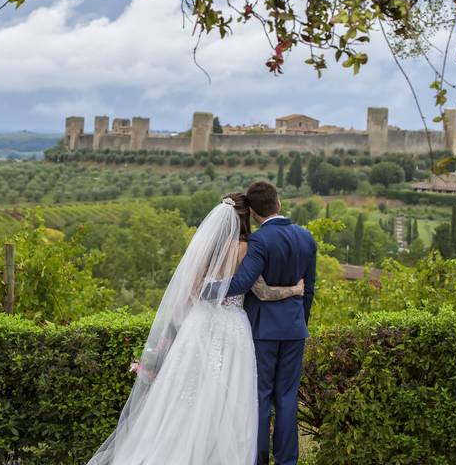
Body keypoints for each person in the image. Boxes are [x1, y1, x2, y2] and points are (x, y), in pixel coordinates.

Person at [87, 193, 304, 465]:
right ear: (246, 217)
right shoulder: (246, 247)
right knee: (230, 396)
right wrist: (294, 290)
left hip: (200, 323)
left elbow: (190, 290)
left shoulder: (206, 246)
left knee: (184, 394)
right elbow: (260, 291)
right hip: (233, 326)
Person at [226, 181, 317, 465]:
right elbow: (310, 289)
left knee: (261, 396)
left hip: (263, 331)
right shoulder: (306, 237)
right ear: (278, 203)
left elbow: (241, 283)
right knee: (288, 397)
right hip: (294, 329)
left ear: (253, 213)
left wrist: (205, 288)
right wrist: (300, 321)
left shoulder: (259, 241)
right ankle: (287, 461)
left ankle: (259, 459)